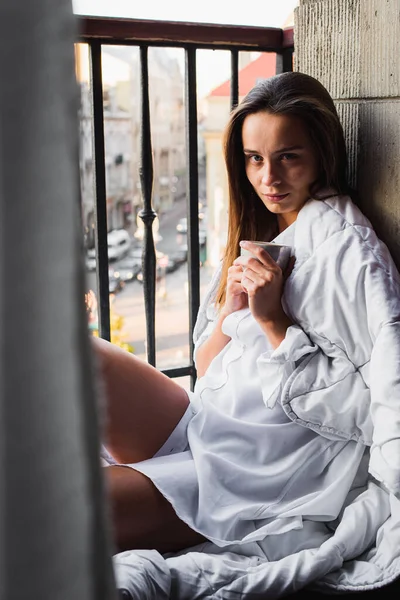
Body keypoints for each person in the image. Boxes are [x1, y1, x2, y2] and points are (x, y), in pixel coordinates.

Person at [94, 72, 400, 562]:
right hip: (207, 424)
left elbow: (366, 416)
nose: (268, 179)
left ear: (323, 153)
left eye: (288, 158)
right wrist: (231, 314)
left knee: (58, 503)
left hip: (255, 476)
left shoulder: (350, 252)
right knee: (71, 354)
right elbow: (210, 370)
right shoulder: (261, 231)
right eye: (255, 159)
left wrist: (275, 324)